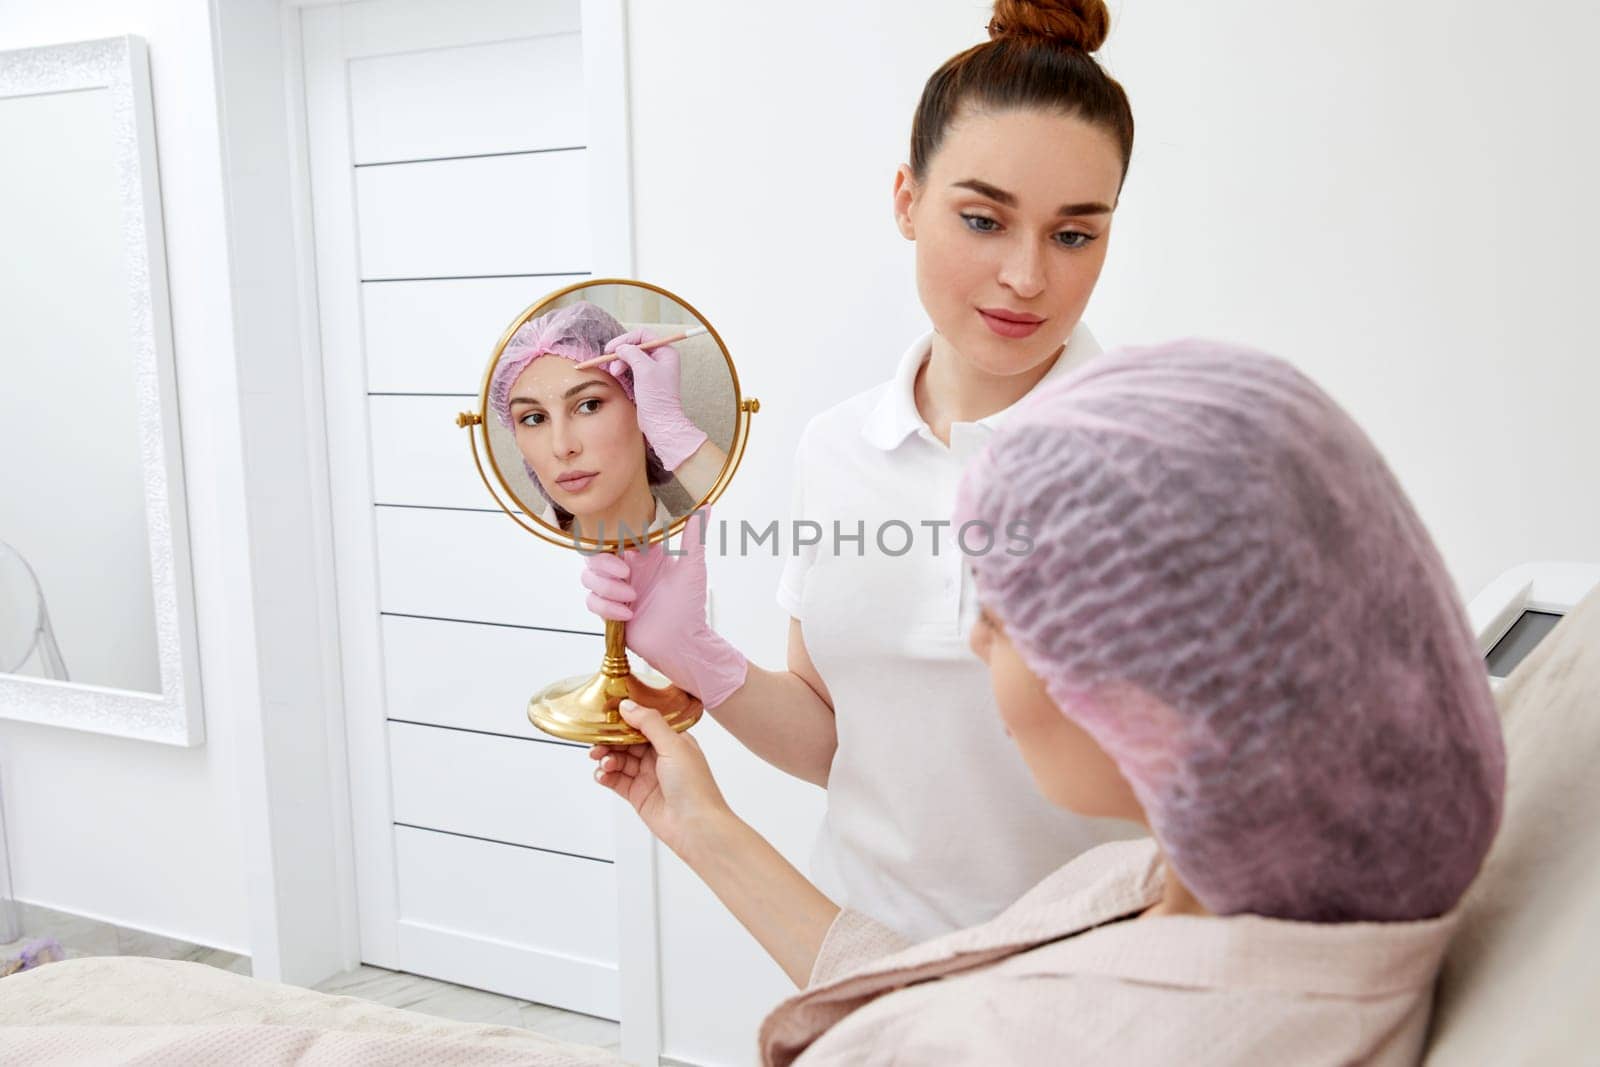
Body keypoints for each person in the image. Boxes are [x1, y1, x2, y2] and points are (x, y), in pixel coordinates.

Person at [594, 340, 1507, 1065]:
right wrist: (701, 760)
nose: (978, 639)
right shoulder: (1185, 890)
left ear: (1160, 686)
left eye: (1004, 610)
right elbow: (943, 999)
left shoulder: (1113, 1002)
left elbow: (953, 1034)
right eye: (982, 216)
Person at [580, 0, 1146, 943]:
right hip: (856, 966)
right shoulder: (840, 447)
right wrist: (694, 654)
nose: (1025, 277)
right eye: (981, 218)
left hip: (1088, 988)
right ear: (906, 201)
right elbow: (843, 744)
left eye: (1074, 234)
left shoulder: (1163, 460)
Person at [489, 301, 723, 540]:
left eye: (589, 405)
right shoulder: (496, 565)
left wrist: (671, 431)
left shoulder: (721, 544)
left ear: (640, 405)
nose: (562, 448)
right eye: (534, 418)